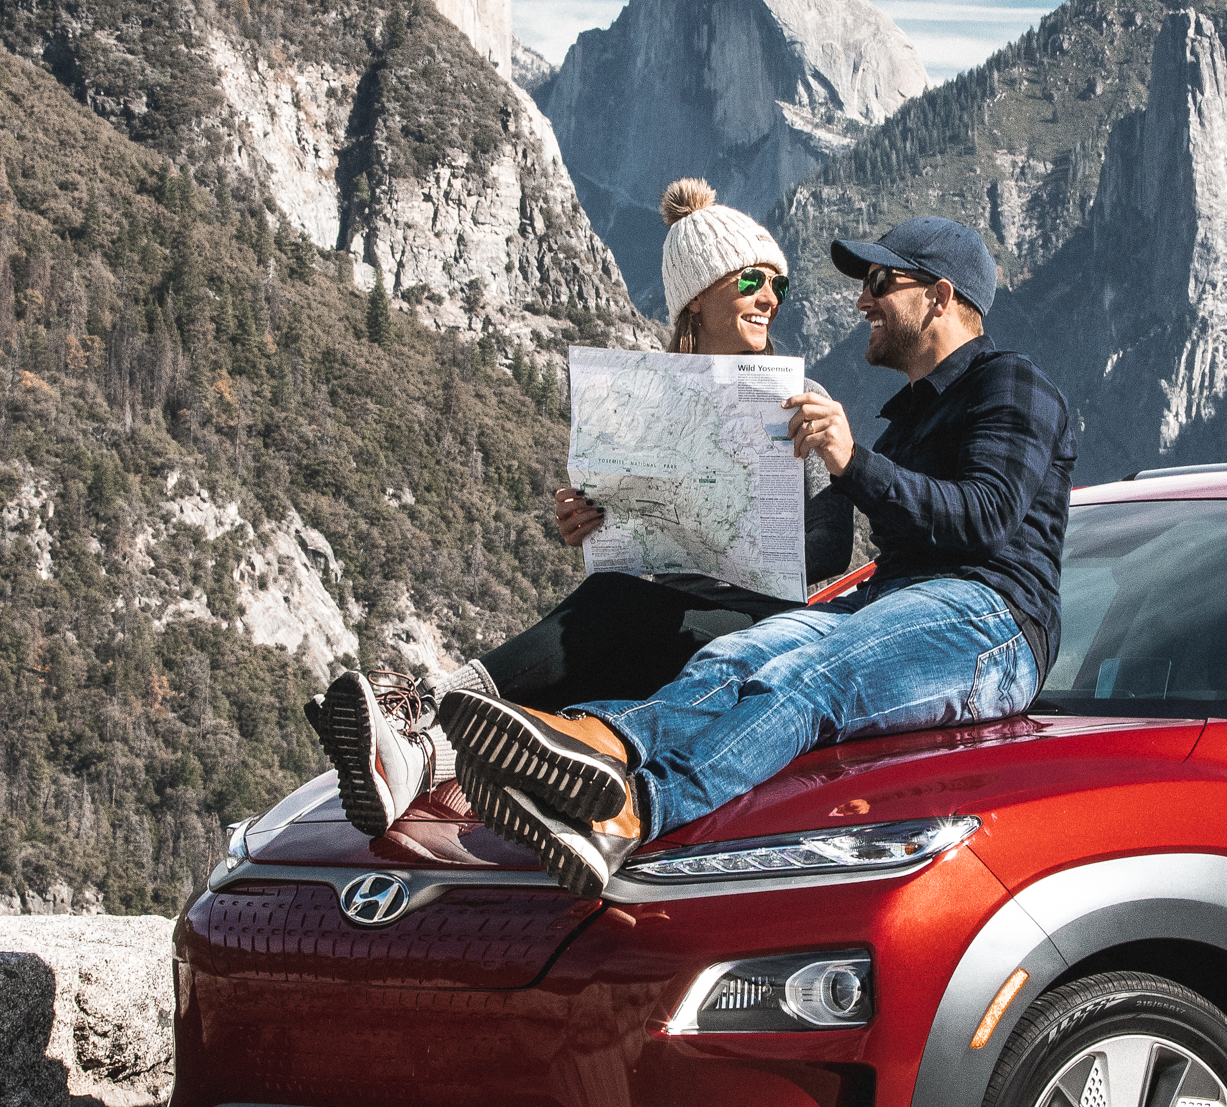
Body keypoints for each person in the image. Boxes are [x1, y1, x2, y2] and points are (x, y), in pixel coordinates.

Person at [439, 214, 1077, 897]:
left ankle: (632, 811)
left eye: (879, 281)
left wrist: (851, 461)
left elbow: (983, 519)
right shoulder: (908, 419)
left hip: (993, 620)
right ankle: (590, 745)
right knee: (732, 659)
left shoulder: (1011, 383)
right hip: (895, 606)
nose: (861, 299)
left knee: (812, 677)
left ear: (941, 297)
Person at [308, 179, 853, 838]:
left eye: (778, 286)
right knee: (609, 605)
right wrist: (589, 522)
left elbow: (834, 547)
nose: (768, 298)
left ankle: (423, 713)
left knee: (613, 609)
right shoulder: (642, 400)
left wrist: (782, 508)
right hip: (666, 610)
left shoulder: (804, 397)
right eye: (750, 283)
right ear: (698, 297)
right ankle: (415, 760)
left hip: (758, 621)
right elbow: (628, 530)